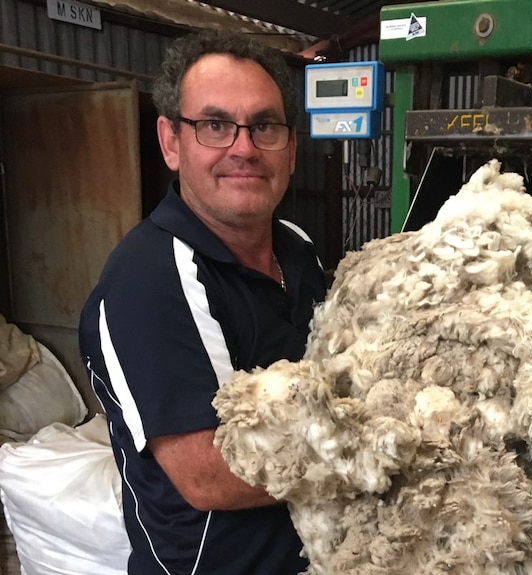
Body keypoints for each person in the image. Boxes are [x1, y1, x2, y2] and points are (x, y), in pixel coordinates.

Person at [78, 30, 327, 575]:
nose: (244, 148)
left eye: (264, 125)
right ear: (171, 141)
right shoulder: (149, 278)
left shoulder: (299, 247)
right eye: (215, 125)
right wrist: (393, 447)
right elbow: (213, 475)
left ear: (290, 146)